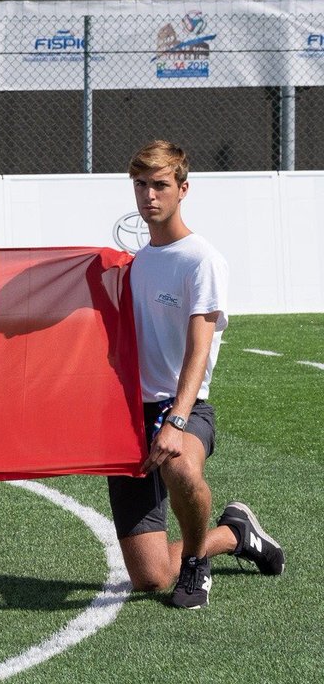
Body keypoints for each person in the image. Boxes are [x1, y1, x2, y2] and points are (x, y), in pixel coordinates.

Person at [108, 140, 285, 608]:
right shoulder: (135, 263)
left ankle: (196, 565)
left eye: (160, 185)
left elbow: (198, 350)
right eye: (141, 185)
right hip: (129, 420)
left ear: (183, 189)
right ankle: (234, 534)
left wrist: (177, 420)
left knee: (179, 463)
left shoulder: (201, 259)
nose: (149, 195)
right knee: (150, 578)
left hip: (181, 406)